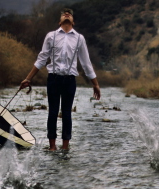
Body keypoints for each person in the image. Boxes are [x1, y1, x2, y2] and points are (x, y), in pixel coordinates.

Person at [20, 8, 101, 151]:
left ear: (73, 21)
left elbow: (86, 63)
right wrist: (28, 78)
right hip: (53, 79)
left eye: (69, 14)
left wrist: (95, 84)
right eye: (64, 14)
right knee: (52, 112)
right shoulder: (51, 36)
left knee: (67, 113)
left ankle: (65, 147)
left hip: (70, 80)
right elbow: (42, 59)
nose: (67, 14)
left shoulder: (79, 38)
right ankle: (52, 147)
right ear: (60, 21)